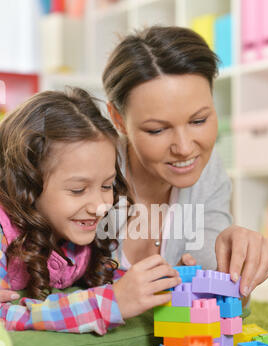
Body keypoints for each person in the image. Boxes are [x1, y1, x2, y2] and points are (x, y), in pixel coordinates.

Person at [102, 25, 268, 307]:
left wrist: (237, 265)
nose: (184, 148)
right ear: (118, 119)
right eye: (157, 130)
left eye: (198, 121)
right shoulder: (88, 173)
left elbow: (225, 298)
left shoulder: (208, 171)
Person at [0, 87, 181, 333]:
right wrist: (106, 305)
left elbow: (109, 281)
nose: (100, 207)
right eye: (77, 190)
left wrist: (165, 280)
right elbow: (5, 316)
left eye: (107, 185)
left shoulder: (73, 231)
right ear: (26, 184)